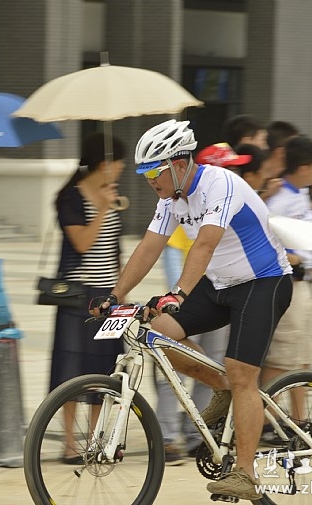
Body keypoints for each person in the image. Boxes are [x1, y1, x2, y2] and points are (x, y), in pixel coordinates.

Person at [91, 120, 292, 500]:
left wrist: (178, 293)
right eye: (145, 174)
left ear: (179, 164)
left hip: (263, 282)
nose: (150, 181)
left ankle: (246, 473)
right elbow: (149, 246)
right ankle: (223, 389)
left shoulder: (220, 184)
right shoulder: (171, 199)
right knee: (158, 334)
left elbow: (204, 245)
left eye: (154, 172)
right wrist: (114, 294)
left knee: (242, 373)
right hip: (219, 284)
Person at [154, 143, 248, 464]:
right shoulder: (186, 206)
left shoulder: (229, 205)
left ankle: (200, 434)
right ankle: (166, 436)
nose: (234, 175)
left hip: (221, 292)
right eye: (228, 168)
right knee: (174, 364)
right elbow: (171, 253)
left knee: (211, 367)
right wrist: (178, 296)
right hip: (189, 299)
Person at [49, 133, 125, 465]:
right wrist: (103, 209)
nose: (121, 170)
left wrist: (121, 292)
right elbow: (82, 243)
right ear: (105, 164)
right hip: (79, 296)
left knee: (103, 368)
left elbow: (114, 249)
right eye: (119, 163)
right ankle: (69, 443)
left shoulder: (111, 196)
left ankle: (95, 441)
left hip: (108, 296)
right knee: (71, 369)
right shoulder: (71, 197)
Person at [263, 136, 312, 419]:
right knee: (282, 359)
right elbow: (267, 240)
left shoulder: (301, 192)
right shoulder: (279, 199)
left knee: (302, 358)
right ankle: (264, 420)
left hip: (304, 283)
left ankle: (300, 420)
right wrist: (293, 257)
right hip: (289, 284)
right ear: (305, 167)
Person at [261, 120, 299, 200]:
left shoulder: (287, 180)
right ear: (281, 152)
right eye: (295, 149)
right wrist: (265, 196)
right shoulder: (249, 177)